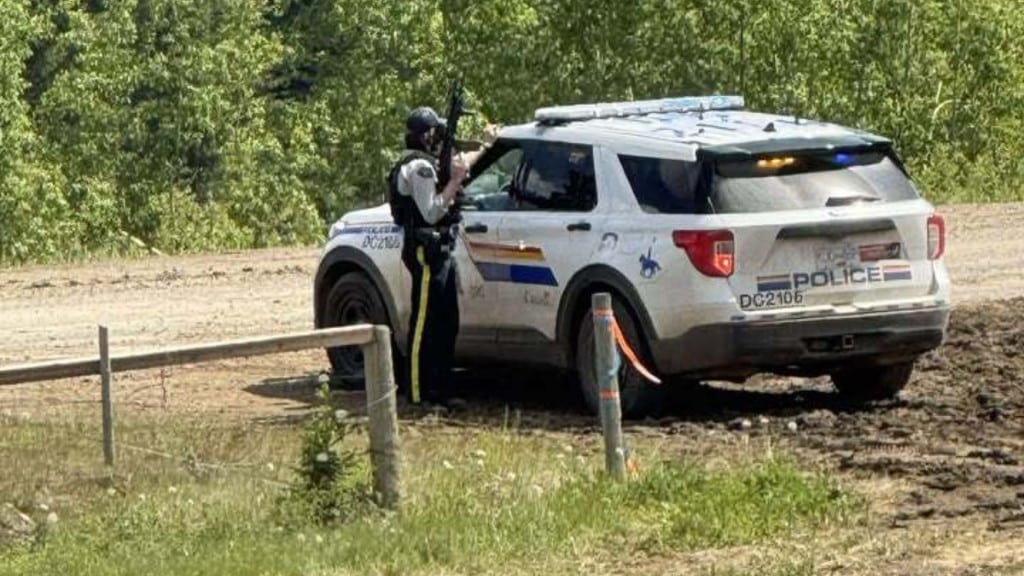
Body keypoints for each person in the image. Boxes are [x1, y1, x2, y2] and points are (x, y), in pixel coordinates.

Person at [388, 106, 495, 408]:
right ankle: (419, 392)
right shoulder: (419, 168)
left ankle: (442, 388)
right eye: (436, 133)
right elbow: (432, 211)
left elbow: (459, 167)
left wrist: (485, 145)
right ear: (426, 135)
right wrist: (453, 184)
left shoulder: (429, 163)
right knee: (425, 322)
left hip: (441, 248)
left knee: (447, 320)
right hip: (425, 249)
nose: (439, 139)